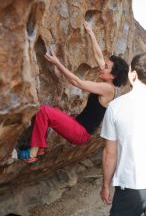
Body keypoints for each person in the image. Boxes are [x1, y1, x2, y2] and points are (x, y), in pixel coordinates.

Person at [21, 22, 128, 163]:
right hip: (76, 123)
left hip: (80, 133)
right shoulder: (108, 80)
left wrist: (57, 63)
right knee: (45, 114)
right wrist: (90, 32)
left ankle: (32, 154)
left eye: (106, 67)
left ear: (113, 75)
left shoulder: (107, 89)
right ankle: (40, 148)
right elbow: (99, 56)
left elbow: (77, 83)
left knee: (44, 111)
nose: (102, 67)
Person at [100, 52, 146, 216]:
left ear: (133, 75)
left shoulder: (116, 107)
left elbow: (110, 153)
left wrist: (106, 185)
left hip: (131, 184)